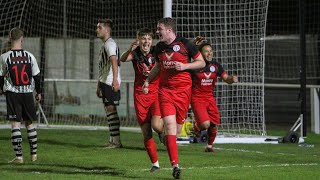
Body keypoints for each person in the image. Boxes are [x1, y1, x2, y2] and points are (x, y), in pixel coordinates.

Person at [142, 17, 206, 179]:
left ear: (169, 30)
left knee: (176, 131)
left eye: (159, 29)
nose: (157, 32)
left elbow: (201, 63)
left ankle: (167, 140)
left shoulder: (186, 44)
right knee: (169, 125)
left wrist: (185, 66)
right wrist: (148, 81)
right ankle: (175, 166)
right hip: (165, 92)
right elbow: (157, 66)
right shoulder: (159, 48)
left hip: (184, 92)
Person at [120, 27, 164, 172]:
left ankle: (162, 132)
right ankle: (155, 164)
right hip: (140, 95)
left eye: (149, 39)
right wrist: (129, 49)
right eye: (143, 38)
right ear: (138, 40)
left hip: (156, 93)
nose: (146, 41)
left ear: (152, 41)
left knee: (156, 125)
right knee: (146, 131)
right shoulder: (135, 53)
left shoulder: (156, 51)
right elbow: (123, 59)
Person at [0, 28, 41, 164]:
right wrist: (39, 92)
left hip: (13, 94)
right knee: (30, 124)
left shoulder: (4, 57)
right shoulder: (30, 56)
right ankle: (34, 155)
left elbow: (0, 77)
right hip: (28, 93)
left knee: (15, 125)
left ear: (10, 38)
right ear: (22, 39)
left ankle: (19, 157)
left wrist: (1, 89)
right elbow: (37, 76)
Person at [191, 42, 238, 152]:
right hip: (197, 98)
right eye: (206, 51)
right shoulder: (195, 66)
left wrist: (232, 79)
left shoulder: (215, 66)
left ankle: (209, 146)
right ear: (201, 54)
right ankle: (197, 127)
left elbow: (226, 78)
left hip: (210, 98)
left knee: (214, 124)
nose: (209, 53)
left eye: (211, 51)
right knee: (205, 124)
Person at [96, 19, 122, 148]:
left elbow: (114, 61)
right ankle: (113, 140)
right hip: (105, 81)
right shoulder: (105, 44)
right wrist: (99, 84)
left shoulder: (109, 44)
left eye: (99, 27)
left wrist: (115, 80)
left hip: (110, 81)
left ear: (107, 29)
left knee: (111, 110)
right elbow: (103, 67)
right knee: (109, 110)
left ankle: (116, 141)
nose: (97, 30)